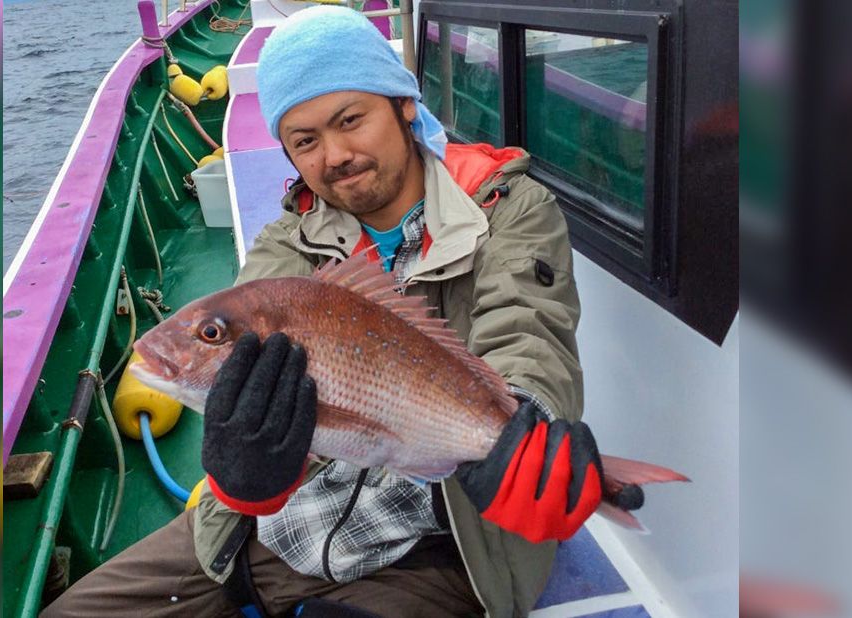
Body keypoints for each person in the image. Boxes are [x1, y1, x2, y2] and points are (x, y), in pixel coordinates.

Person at [43, 6, 602, 617]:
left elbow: (529, 337)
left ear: (404, 104)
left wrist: (523, 429)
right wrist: (243, 471)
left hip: (445, 539)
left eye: (351, 119)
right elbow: (249, 376)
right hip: (275, 526)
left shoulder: (510, 209)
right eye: (305, 140)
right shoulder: (286, 244)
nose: (334, 154)